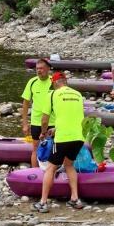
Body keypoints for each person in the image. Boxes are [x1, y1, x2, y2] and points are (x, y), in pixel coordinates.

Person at [33, 72, 85, 212]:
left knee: (51, 167)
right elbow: (72, 116)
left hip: (63, 138)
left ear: (55, 82)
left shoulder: (52, 94)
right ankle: (75, 199)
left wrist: (43, 133)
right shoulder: (78, 94)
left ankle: (43, 203)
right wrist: (56, 128)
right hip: (79, 136)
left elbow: (44, 119)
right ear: (65, 81)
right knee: (69, 164)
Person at [21, 59, 54, 167]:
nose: (39, 71)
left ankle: (53, 172)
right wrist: (25, 124)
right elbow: (25, 104)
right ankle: (35, 173)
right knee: (35, 148)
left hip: (53, 121)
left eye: (41, 68)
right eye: (37, 69)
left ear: (48, 69)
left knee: (54, 148)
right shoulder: (32, 82)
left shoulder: (54, 82)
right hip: (36, 121)